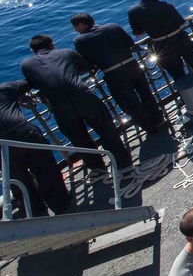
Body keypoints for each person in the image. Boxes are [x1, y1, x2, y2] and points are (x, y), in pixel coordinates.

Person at [20, 35, 132, 179]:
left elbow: (34, 82)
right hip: (83, 96)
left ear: (32, 50)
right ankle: (122, 162)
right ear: (52, 44)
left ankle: (97, 167)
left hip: (60, 106)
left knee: (79, 138)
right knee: (105, 129)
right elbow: (84, 67)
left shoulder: (26, 65)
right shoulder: (66, 52)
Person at [72, 13, 164, 133]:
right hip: (132, 65)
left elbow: (88, 64)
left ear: (82, 25)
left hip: (114, 73)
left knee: (130, 103)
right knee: (146, 94)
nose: (75, 30)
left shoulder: (79, 40)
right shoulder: (112, 26)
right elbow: (130, 43)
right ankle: (158, 118)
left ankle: (150, 127)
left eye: (75, 27)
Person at [128, 0, 193, 92]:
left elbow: (138, 34)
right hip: (180, 40)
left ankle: (189, 96)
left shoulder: (133, 12)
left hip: (161, 45)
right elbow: (181, 23)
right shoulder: (165, 5)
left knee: (177, 74)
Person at [0, 79, 72, 216]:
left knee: (18, 181)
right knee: (46, 170)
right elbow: (31, 81)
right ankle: (61, 204)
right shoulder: (5, 88)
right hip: (25, 133)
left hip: (3, 147)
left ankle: (35, 212)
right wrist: (17, 96)